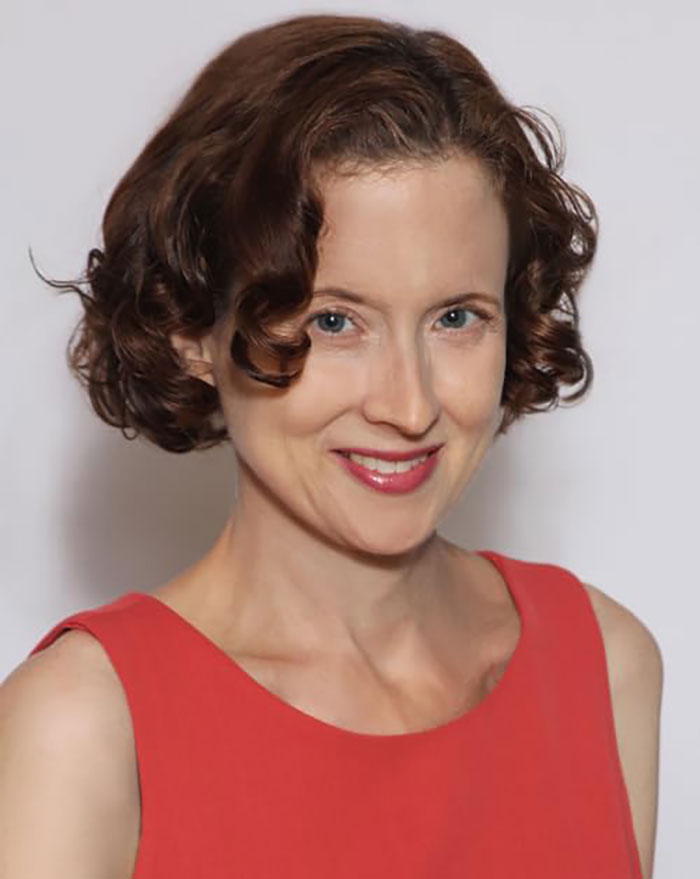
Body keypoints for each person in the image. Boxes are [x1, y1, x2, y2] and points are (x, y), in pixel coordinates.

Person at [0, 12, 662, 879]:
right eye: (334, 320)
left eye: (457, 317)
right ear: (192, 325)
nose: (409, 402)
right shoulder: (84, 728)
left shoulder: (604, 670)